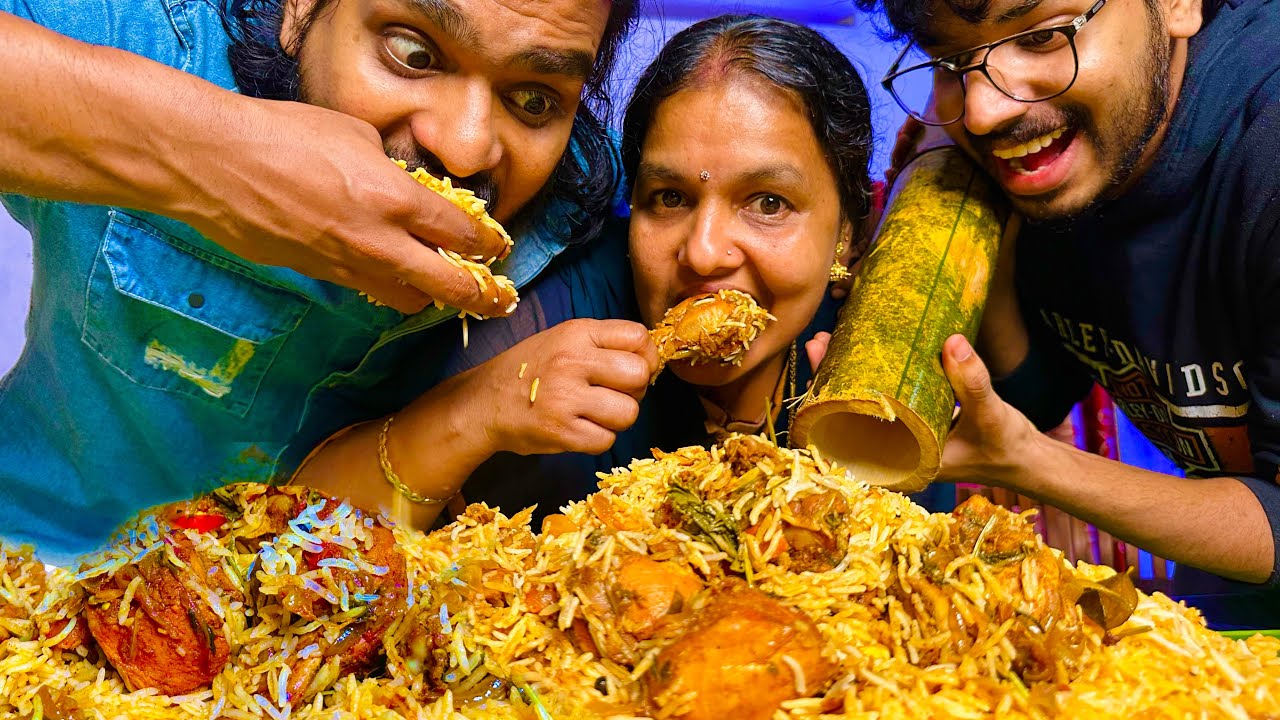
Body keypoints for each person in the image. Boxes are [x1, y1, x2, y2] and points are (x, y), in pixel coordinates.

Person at [0, 0, 640, 562]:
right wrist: (217, 156)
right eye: (412, 52)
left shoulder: (581, 198)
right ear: (302, 6)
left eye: (532, 101)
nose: (466, 149)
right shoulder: (148, 40)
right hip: (35, 556)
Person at [290, 14, 888, 529]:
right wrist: (479, 411)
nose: (704, 254)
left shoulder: (875, 361)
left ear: (848, 237)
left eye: (767, 204)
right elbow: (289, 534)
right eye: (670, 198)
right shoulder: (540, 319)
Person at [848, 0, 1280, 617]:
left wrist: (1029, 461)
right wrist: (983, 247)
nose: (983, 110)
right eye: (949, 60)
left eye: (1046, 36)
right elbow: (1046, 387)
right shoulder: (1075, 153)